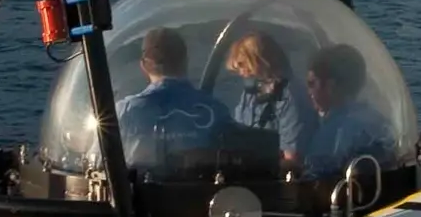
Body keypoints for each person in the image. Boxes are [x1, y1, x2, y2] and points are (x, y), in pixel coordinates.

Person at [115, 27, 232, 169]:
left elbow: (98, 163)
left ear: (144, 66)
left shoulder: (123, 112)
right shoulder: (216, 111)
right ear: (185, 60)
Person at [299, 43, 395, 177]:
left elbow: (315, 175)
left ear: (331, 86)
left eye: (312, 84)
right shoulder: (375, 119)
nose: (308, 91)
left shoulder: (337, 130)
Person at [226, 30, 318, 167]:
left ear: (260, 62)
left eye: (243, 66)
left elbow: (292, 159)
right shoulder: (250, 92)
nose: (241, 72)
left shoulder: (290, 97)